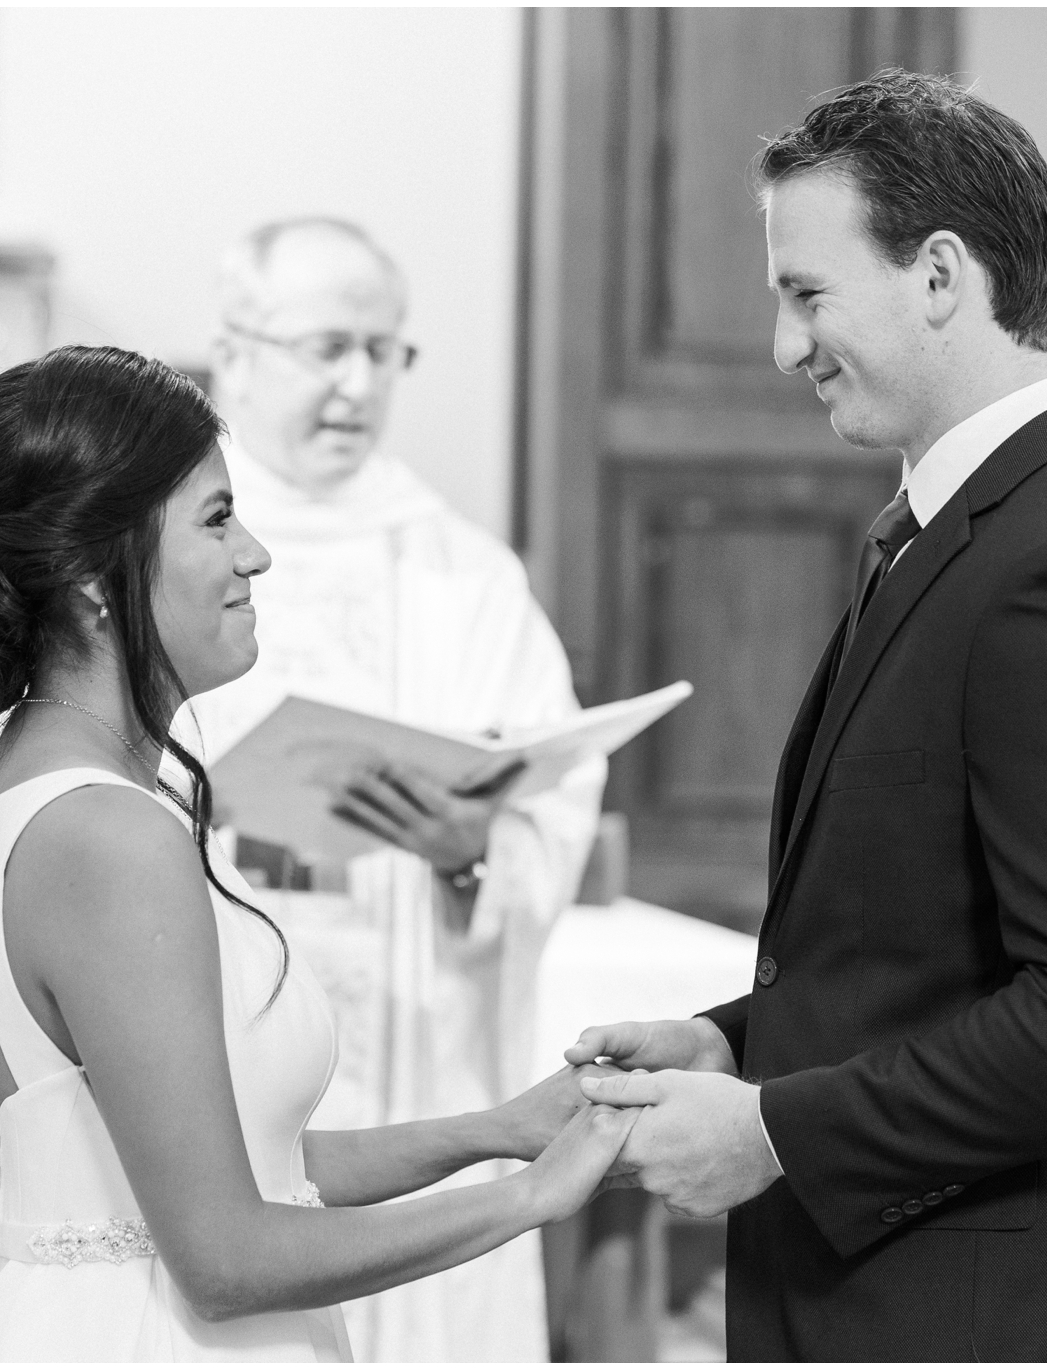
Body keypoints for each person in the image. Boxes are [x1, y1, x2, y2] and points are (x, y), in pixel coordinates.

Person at [0, 345, 633, 1363]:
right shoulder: (104, 835)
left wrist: (499, 1130)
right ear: (91, 577)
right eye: (216, 518)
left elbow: (237, 1161)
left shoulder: (70, 791)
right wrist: (529, 1200)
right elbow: (225, 1255)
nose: (255, 553)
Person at [570, 71, 1047, 1361]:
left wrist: (774, 1130)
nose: (782, 345)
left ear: (938, 275)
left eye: (805, 292)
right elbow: (929, 952)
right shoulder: (961, 540)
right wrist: (731, 1042)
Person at [186, 218, 603, 1362]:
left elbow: (548, 804)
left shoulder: (459, 572)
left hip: (418, 1046)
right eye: (327, 346)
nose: (358, 382)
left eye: (385, 351)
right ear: (236, 352)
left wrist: (473, 850)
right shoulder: (159, 545)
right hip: (212, 1051)